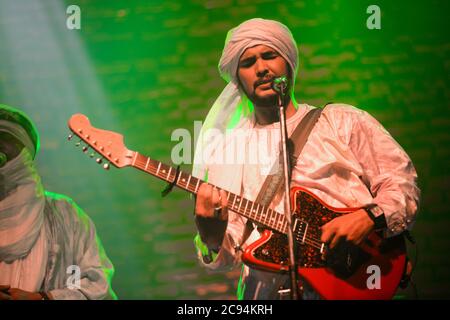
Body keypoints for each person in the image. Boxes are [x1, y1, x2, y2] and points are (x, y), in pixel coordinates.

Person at [192, 18, 420, 299]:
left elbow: (402, 183)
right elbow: (229, 252)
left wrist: (369, 217)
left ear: (288, 62)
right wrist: (210, 233)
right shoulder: (228, 151)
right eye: (248, 62)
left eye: (269, 56)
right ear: (238, 78)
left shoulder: (341, 121)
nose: (261, 68)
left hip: (354, 280)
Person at [0, 104, 117, 300]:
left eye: (6, 142)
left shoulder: (64, 214)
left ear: (26, 156)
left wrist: (44, 298)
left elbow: (97, 286)